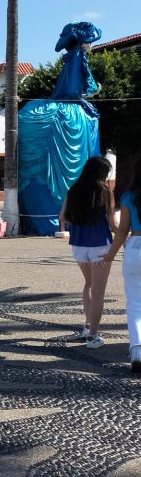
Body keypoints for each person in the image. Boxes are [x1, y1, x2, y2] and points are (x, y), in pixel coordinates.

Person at [58, 156, 118, 349]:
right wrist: (126, 235)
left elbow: (63, 217)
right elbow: (112, 223)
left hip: (79, 246)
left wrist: (80, 223)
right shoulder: (105, 191)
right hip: (100, 245)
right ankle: (92, 336)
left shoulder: (73, 190)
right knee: (99, 292)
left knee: (89, 284)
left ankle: (87, 325)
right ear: (102, 173)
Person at [103, 158, 141, 368]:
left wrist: (110, 254)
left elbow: (122, 231)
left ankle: (137, 352)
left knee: (135, 303)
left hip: (135, 246)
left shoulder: (129, 197)